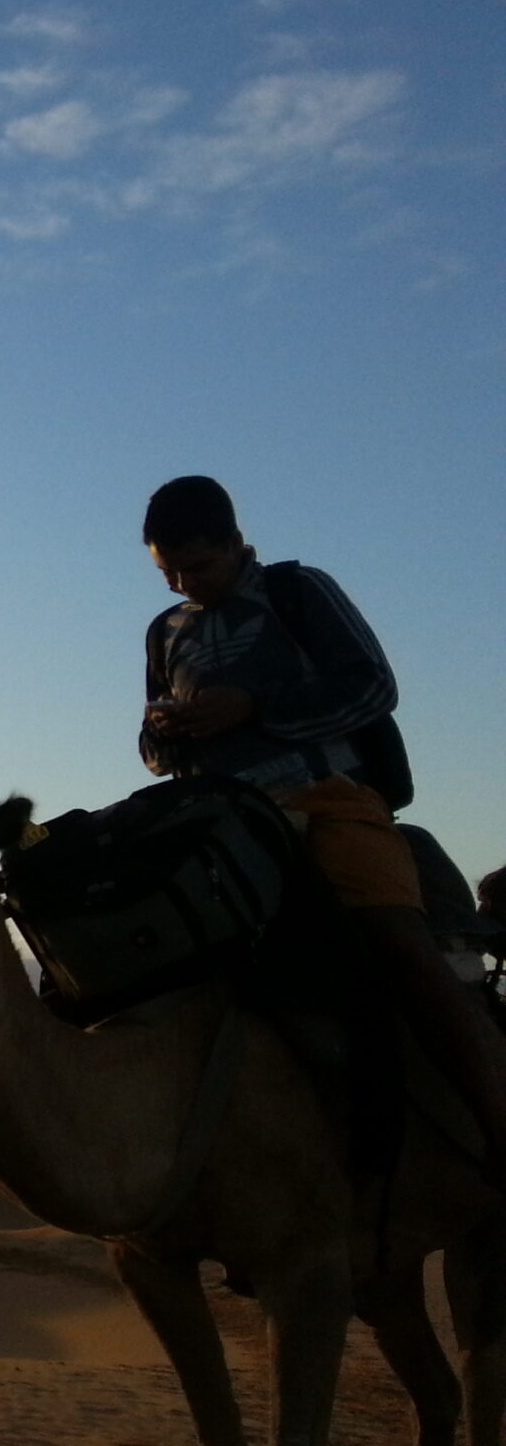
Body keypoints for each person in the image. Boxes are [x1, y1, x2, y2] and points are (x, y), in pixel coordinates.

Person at [138, 473, 506, 1158]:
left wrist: (256, 708)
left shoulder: (297, 594)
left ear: (237, 545)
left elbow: (373, 685)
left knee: (400, 948)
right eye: (168, 571)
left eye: (197, 566)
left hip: (330, 801)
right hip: (223, 828)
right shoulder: (166, 633)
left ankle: (495, 1127)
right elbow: (152, 751)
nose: (182, 584)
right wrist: (168, 730)